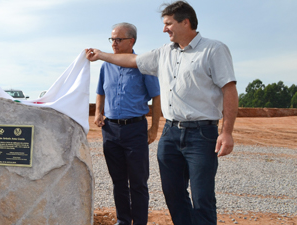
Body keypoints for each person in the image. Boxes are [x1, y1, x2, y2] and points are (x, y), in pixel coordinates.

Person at [86, 1, 238, 225]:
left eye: (168, 23)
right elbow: (133, 60)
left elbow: (229, 90)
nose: (164, 29)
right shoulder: (164, 53)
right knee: (173, 194)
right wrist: (101, 55)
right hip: (170, 134)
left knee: (202, 196)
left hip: (201, 134)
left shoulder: (214, 49)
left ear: (185, 22)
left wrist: (227, 132)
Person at [94, 23, 161, 225]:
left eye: (118, 39)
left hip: (135, 129)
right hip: (110, 130)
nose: (113, 43)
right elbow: (100, 92)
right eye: (111, 39)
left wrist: (154, 128)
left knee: (138, 182)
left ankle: (139, 222)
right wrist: (98, 112)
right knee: (118, 181)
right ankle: (123, 220)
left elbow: (156, 98)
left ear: (131, 41)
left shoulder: (143, 65)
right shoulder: (106, 66)